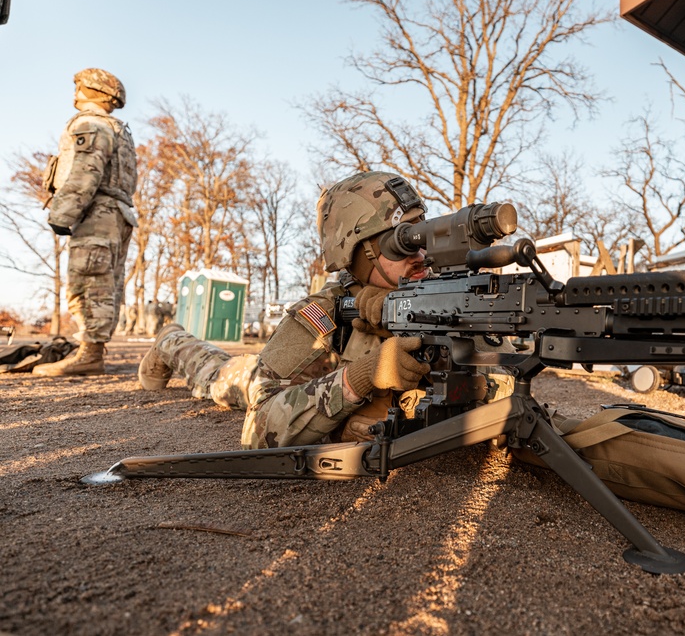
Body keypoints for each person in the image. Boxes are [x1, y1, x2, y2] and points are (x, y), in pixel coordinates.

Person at [137, 171, 513, 449]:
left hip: (311, 380)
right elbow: (260, 428)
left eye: (421, 237)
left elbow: (501, 385)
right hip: (268, 379)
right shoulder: (325, 311)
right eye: (401, 243)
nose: (419, 254)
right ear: (358, 255)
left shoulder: (449, 298)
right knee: (217, 374)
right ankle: (172, 341)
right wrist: (363, 377)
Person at [34, 68, 137, 377]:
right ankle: (92, 351)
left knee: (90, 281)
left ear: (92, 91)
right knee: (106, 282)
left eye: (79, 87)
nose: (75, 92)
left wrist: (61, 214)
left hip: (97, 212)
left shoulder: (90, 124)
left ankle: (90, 355)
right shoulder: (117, 128)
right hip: (115, 212)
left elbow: (85, 172)